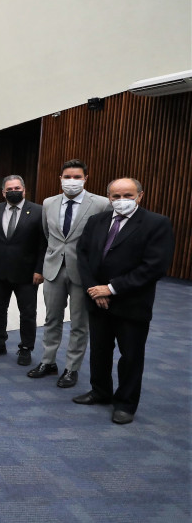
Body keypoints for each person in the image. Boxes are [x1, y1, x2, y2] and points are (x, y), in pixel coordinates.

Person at [73, 178, 174, 425]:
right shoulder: (97, 221)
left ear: (140, 195)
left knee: (130, 356)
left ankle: (125, 404)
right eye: (115, 196)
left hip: (131, 303)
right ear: (108, 197)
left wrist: (111, 289)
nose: (121, 201)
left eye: (127, 195)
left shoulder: (156, 223)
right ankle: (100, 391)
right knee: (100, 351)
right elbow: (83, 256)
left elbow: (154, 267)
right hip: (97, 301)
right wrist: (93, 290)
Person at [28, 159, 111, 387]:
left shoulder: (101, 203)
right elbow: (48, 234)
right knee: (51, 319)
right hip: (54, 269)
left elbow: (104, 238)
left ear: (86, 178)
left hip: (83, 273)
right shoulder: (48, 203)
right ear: (60, 178)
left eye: (77, 177)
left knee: (78, 323)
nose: (71, 181)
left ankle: (71, 368)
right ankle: (48, 361)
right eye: (67, 177)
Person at [0, 175, 47, 365]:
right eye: (9, 189)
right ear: (3, 192)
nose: (13, 191)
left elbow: (43, 244)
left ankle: (26, 348)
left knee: (27, 312)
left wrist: (40, 269)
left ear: (24, 190)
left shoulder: (38, 211)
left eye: (17, 188)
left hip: (27, 274)